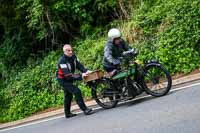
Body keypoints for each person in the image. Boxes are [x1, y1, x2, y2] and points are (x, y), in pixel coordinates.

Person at [56, 44, 94, 118]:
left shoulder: (73, 57)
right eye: (68, 50)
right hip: (63, 79)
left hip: (69, 77)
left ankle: (67, 114)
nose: (71, 52)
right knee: (76, 91)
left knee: (68, 96)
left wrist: (86, 71)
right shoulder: (62, 61)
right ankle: (85, 109)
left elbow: (79, 65)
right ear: (64, 52)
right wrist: (81, 76)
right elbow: (68, 75)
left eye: (71, 50)